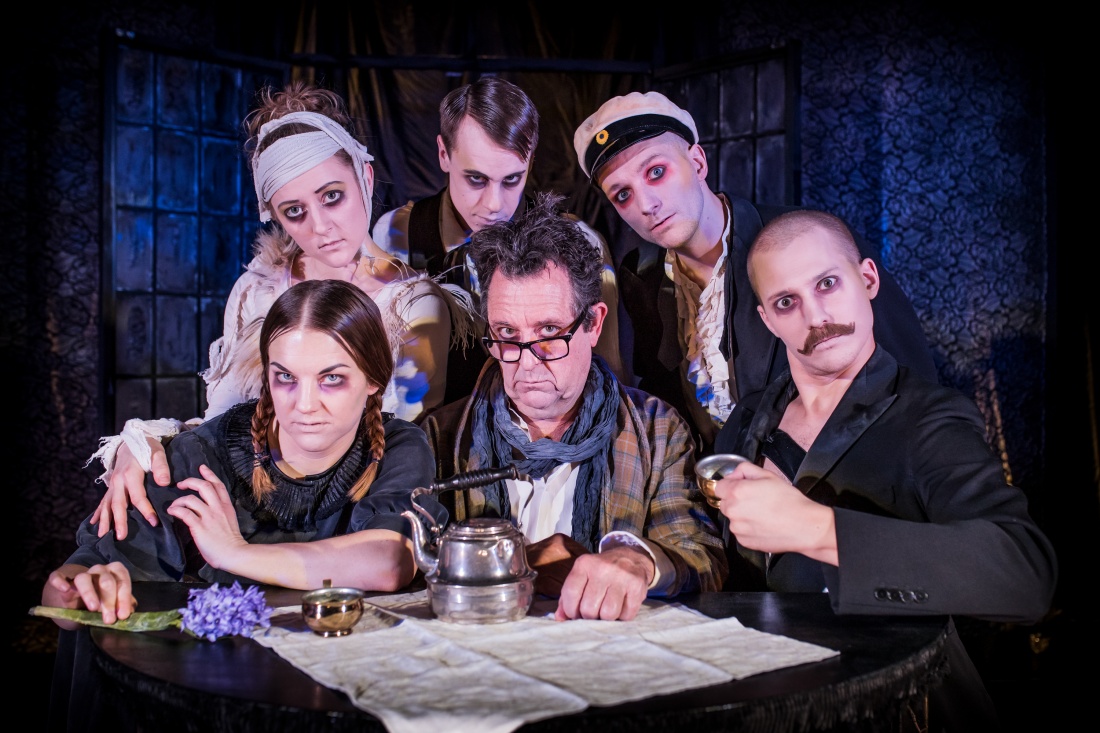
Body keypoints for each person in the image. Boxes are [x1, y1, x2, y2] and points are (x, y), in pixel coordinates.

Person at [709, 209, 1057, 730]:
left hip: (899, 709)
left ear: (867, 279)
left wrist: (819, 529)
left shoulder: (928, 418)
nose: (815, 316)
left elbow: (1025, 576)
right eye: (787, 302)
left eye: (827, 283)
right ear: (768, 319)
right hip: (769, 706)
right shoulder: (745, 422)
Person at [88, 81, 471, 539]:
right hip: (247, 502)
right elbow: (221, 423)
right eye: (294, 211)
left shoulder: (412, 305)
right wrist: (146, 442)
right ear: (274, 214)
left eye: (332, 196)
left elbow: (395, 445)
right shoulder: (257, 290)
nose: (321, 226)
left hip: (352, 518)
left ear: (365, 179)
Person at [43, 279, 449, 626]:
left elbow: (390, 561)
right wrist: (78, 592)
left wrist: (234, 553)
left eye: (332, 379)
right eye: (286, 377)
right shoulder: (202, 455)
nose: (305, 404)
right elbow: (74, 585)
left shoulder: (399, 446)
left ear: (374, 379)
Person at [419, 192, 727, 622]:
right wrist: (521, 564)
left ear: (593, 323)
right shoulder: (441, 437)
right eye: (507, 334)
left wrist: (637, 561)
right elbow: (410, 564)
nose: (527, 362)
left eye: (549, 332)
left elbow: (702, 557)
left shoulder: (657, 429)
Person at [573, 91, 937, 454]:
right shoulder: (641, 274)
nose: (646, 204)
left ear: (697, 162)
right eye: (622, 195)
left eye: (656, 172)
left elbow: (908, 378)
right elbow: (666, 398)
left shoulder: (807, 240)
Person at [374, 76, 626, 399]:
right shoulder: (397, 236)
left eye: (511, 180)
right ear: (443, 154)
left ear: (530, 163)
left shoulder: (580, 244)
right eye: (476, 179)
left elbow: (606, 376)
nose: (494, 205)